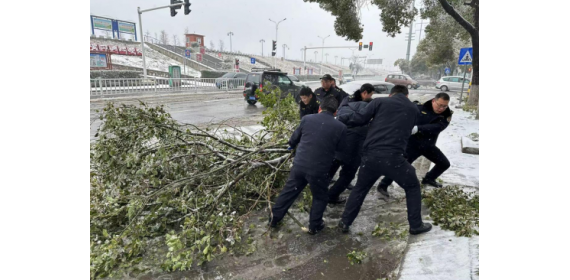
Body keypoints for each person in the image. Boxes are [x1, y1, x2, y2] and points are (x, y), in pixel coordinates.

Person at [336, 85, 432, 235]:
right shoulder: (413, 109)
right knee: (412, 186)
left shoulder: (379, 102)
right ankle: (416, 225)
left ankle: (345, 222)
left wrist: (340, 119)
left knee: (360, 188)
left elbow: (360, 119)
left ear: (391, 95)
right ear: (406, 96)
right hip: (393, 159)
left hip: (371, 157)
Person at [270, 96, 347, 235]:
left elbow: (293, 139)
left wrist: (292, 146)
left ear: (319, 108)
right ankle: (314, 225)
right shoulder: (340, 127)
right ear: (336, 112)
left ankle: (274, 218)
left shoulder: (307, 119)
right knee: (320, 197)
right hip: (319, 169)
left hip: (299, 165)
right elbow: (341, 150)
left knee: (289, 192)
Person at [377, 92, 453, 196]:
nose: (441, 108)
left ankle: (429, 178)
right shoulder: (419, 108)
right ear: (433, 101)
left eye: (444, 106)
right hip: (413, 145)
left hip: (428, 145)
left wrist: (418, 128)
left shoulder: (447, 114)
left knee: (444, 164)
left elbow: (438, 127)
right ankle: (383, 185)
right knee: (400, 166)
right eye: (439, 105)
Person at [327, 83, 375, 204]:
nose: (371, 97)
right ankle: (332, 196)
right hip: (355, 145)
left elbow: (339, 116)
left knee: (333, 166)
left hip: (339, 139)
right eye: (371, 94)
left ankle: (319, 190)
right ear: (365, 93)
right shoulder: (368, 107)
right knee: (348, 174)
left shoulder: (347, 101)